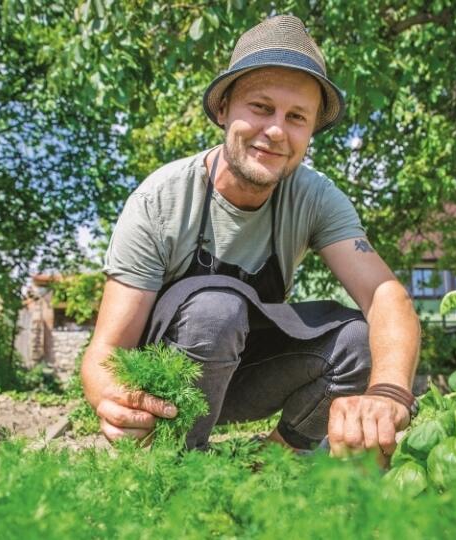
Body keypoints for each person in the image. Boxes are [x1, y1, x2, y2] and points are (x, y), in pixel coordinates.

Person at [80, 15, 421, 462]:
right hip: (166, 391)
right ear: (223, 110)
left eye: (296, 117)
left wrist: (390, 393)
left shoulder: (314, 198)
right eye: (261, 107)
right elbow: (106, 351)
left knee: (357, 341)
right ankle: (174, 467)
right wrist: (114, 399)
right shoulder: (162, 200)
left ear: (311, 131)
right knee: (215, 309)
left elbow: (386, 297)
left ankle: (267, 467)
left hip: (248, 377)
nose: (277, 130)